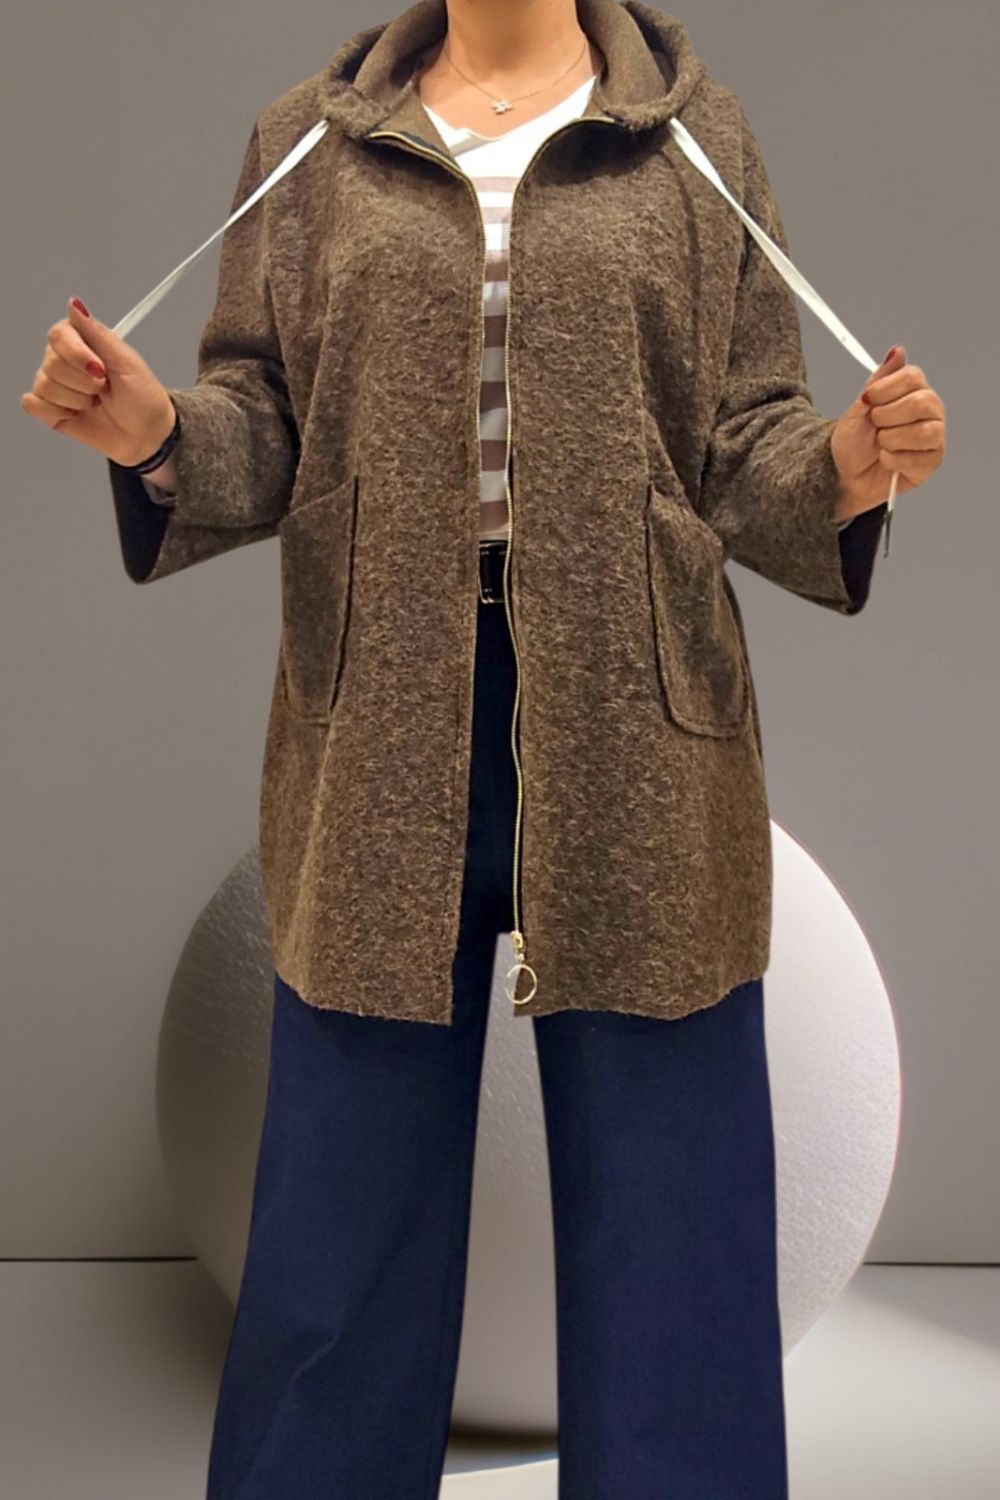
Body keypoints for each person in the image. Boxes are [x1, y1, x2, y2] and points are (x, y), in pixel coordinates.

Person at [20, 0, 946, 1495]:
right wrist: (157, 434)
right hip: (380, 720)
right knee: (341, 1210)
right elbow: (265, 420)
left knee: (675, 1216)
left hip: (640, 723)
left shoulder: (697, 142)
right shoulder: (308, 145)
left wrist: (841, 466)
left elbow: (744, 437)